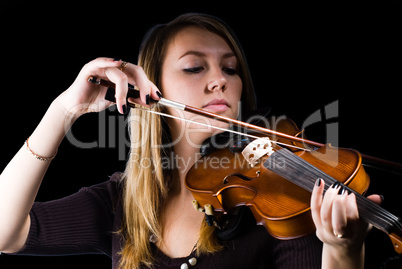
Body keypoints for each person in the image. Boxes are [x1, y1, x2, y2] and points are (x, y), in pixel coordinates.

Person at [0, 13, 382, 269]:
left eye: (230, 69)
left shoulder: (272, 207)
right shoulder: (123, 203)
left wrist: (342, 250)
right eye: (194, 67)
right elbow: (6, 233)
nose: (221, 80)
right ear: (152, 89)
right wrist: (64, 109)